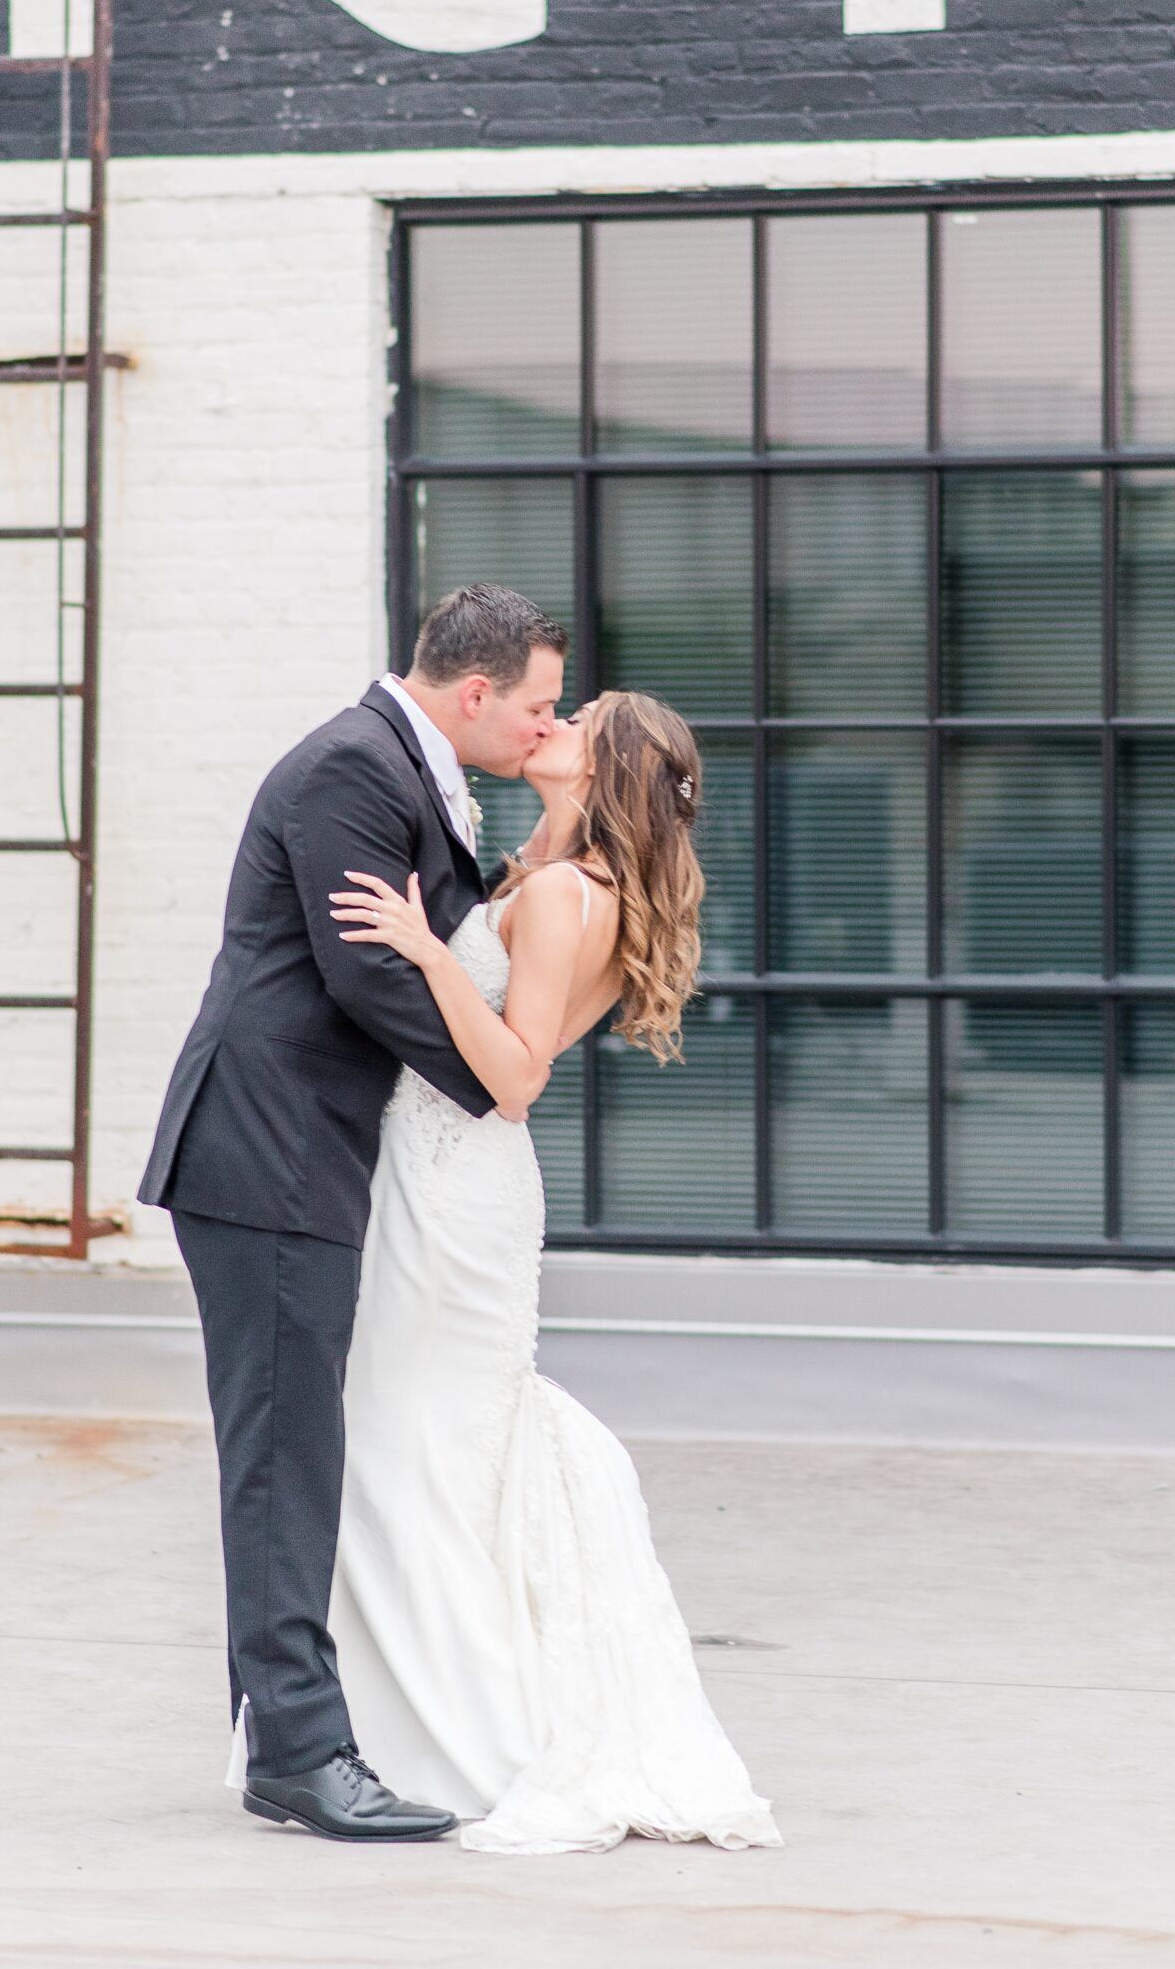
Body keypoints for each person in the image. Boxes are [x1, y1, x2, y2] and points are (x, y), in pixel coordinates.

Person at [302, 686, 781, 1856]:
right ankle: (413, 1714)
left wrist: (424, 950)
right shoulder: (553, 871)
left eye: (578, 716)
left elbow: (517, 1074)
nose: (551, 718)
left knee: (417, 1441)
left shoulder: (571, 894)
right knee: (417, 1439)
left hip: (462, 1182)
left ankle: (456, 1735)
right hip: (436, 1172)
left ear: (602, 761)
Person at [139, 584, 567, 1844]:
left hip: (298, 1154)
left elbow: (438, 930)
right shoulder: (349, 767)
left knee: (292, 1445)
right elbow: (367, 968)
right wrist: (494, 1087)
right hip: (263, 1156)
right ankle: (301, 1756)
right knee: (285, 1454)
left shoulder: (401, 765)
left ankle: (270, 1724)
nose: (546, 727)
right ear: (474, 693)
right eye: (536, 706)